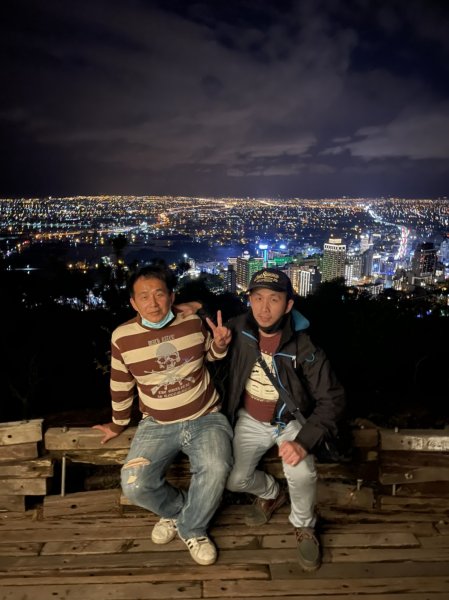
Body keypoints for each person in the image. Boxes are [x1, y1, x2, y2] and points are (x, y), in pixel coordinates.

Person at [93, 262, 233, 566]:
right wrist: (118, 424)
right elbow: (120, 384)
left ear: (171, 296)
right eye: (143, 297)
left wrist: (220, 345)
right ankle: (176, 511)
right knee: (134, 483)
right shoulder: (123, 337)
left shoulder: (193, 322)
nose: (152, 303)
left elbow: (209, 356)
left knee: (217, 466)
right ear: (133, 302)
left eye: (159, 294)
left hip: (205, 415)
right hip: (156, 422)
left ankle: (191, 528)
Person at [224, 268, 346, 571]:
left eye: (274, 300)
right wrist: (191, 309)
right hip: (249, 418)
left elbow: (332, 399)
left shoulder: (304, 347)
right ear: (249, 300)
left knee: (302, 472)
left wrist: (304, 442)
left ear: (288, 305)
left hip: (288, 420)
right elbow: (204, 332)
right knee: (235, 479)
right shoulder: (238, 329)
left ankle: (305, 524)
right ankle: (272, 493)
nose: (265, 308)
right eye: (258, 298)